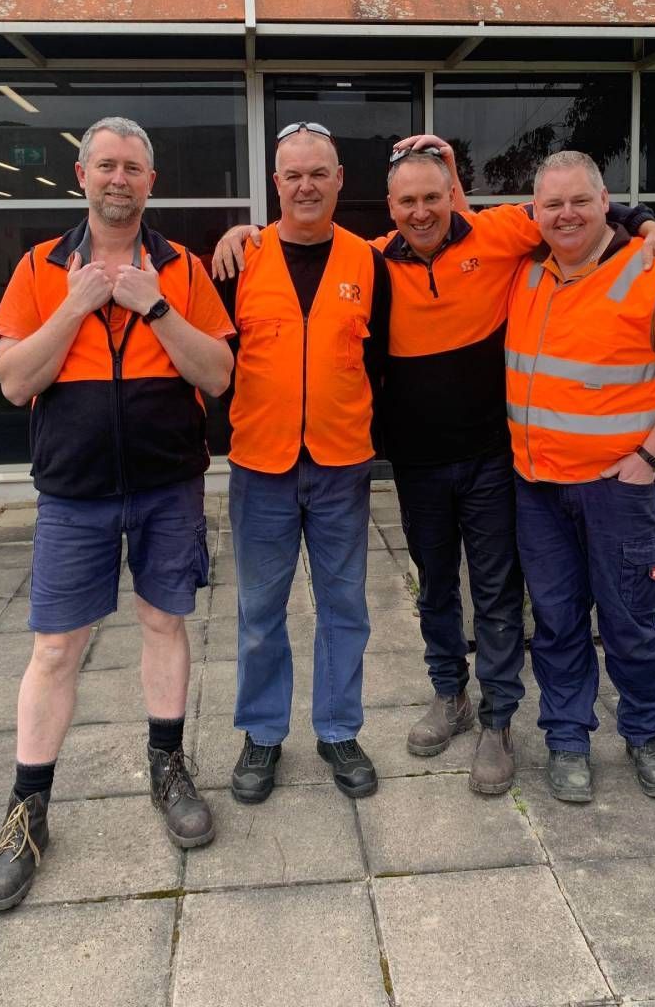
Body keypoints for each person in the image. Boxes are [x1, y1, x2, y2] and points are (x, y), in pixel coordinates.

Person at [214, 132, 655, 797]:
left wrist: (648, 222)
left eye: (432, 196)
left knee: (495, 593)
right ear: (389, 204)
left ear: (452, 194)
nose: (420, 210)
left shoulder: (498, 233)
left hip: (493, 459)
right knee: (434, 587)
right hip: (413, 463)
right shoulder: (373, 260)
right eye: (407, 200)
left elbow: (571, 206)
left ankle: (497, 719)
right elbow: (304, 263)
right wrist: (245, 232)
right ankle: (448, 694)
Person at [0, 116, 234, 911]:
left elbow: (218, 374)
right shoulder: (38, 267)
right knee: (56, 649)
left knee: (164, 623)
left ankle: (167, 766)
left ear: (151, 183)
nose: (119, 179)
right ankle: (28, 810)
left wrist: (156, 309)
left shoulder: (182, 268)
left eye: (134, 167)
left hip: (167, 486)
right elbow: (15, 381)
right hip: (74, 493)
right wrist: (75, 306)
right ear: (81, 176)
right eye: (106, 166)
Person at [506, 149, 655, 803]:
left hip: (619, 491)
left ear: (607, 204)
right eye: (552, 204)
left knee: (632, 620)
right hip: (539, 488)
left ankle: (648, 731)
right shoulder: (525, 271)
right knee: (558, 619)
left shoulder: (654, 270)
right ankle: (567, 737)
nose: (565, 214)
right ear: (535, 212)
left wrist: (649, 457)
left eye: (579, 201)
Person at [219, 121, 390, 805]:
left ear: (340, 179)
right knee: (260, 610)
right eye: (294, 174)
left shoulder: (369, 262)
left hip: (342, 464)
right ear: (276, 183)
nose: (307, 185)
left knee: (345, 606)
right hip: (261, 465)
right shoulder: (240, 257)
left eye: (319, 172)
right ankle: (262, 734)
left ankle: (338, 729)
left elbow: (381, 362)